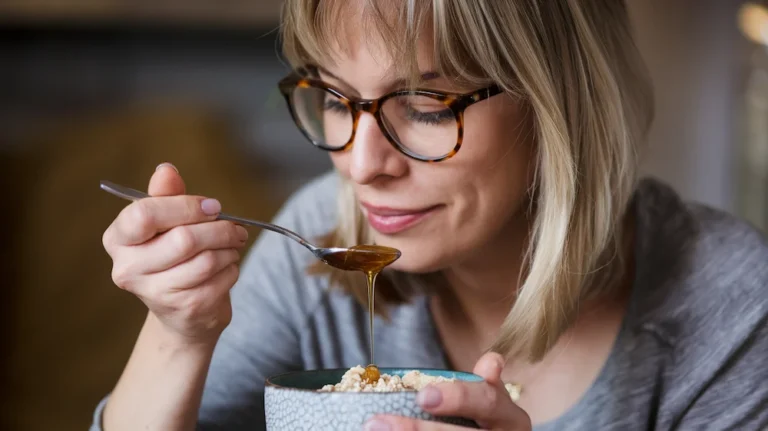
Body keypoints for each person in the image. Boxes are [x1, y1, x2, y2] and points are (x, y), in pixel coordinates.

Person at [91, 1, 768, 430]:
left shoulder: (729, 306)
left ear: (557, 104)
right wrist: (179, 335)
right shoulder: (315, 242)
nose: (361, 166)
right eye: (333, 97)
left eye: (423, 106)